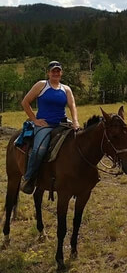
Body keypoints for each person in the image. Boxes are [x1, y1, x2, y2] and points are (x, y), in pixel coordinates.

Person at [20, 60, 80, 194]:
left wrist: (75, 121)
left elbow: (72, 106)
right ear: (48, 73)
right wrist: (34, 120)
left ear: (61, 73)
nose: (56, 73)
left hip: (62, 123)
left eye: (58, 71)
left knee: (79, 140)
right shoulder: (42, 85)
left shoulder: (66, 89)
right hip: (45, 124)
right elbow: (25, 102)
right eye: (53, 71)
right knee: (39, 150)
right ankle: (29, 178)